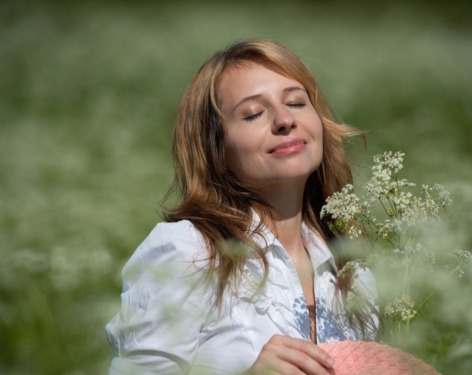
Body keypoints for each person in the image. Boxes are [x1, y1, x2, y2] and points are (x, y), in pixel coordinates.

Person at [105, 38, 378, 375]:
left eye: (295, 102)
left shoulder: (352, 270)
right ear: (216, 148)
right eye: (252, 114)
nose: (283, 120)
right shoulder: (189, 251)